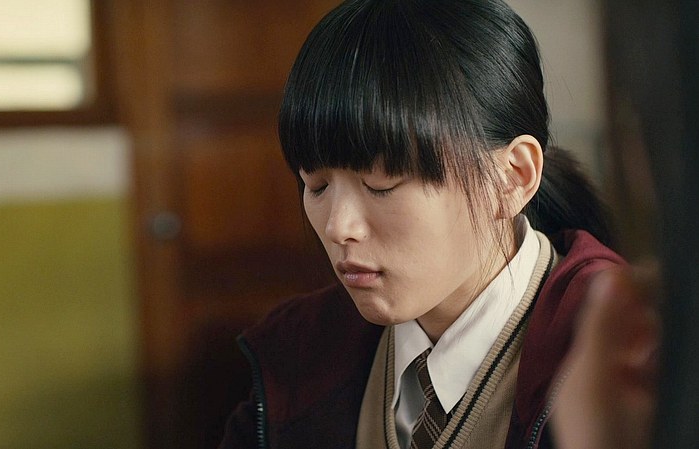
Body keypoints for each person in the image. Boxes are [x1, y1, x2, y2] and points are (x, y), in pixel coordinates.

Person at [219, 0, 623, 448]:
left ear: (512, 178)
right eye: (317, 186)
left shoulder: (625, 355)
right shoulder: (298, 356)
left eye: (382, 184)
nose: (338, 227)